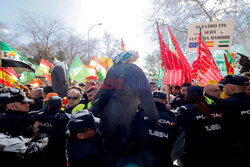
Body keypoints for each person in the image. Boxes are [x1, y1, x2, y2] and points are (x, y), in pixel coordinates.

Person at [90, 50, 159, 163]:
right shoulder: (135, 70)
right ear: (131, 58)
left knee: (109, 142)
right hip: (126, 110)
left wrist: (94, 102)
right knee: (124, 143)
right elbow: (146, 95)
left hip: (109, 111)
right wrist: (154, 117)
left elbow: (103, 89)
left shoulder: (113, 68)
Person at [175, 86, 230, 167]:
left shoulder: (186, 110)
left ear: (188, 95)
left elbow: (182, 127)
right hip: (218, 148)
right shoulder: (216, 107)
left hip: (196, 151)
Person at [131, 91, 179, 167]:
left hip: (142, 159)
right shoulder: (172, 117)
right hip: (164, 160)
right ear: (164, 101)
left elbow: (132, 134)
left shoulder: (140, 114)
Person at [220, 75, 250, 167]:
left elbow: (224, 127)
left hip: (236, 148)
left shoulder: (226, 103)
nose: (224, 89)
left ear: (231, 88)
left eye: (224, 87)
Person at [33, 96, 69, 167]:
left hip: (42, 149)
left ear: (47, 104)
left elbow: (33, 130)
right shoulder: (65, 117)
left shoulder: (39, 116)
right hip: (58, 152)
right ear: (61, 105)